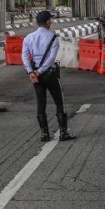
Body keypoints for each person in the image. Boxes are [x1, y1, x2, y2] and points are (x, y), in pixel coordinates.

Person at [22, 10, 76, 142]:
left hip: (35, 75)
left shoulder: (28, 37)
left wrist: (31, 72)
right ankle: (63, 133)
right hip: (49, 74)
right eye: (50, 20)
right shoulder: (53, 37)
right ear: (48, 22)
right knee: (59, 102)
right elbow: (51, 58)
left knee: (41, 102)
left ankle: (44, 134)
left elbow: (24, 56)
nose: (51, 22)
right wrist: (39, 72)